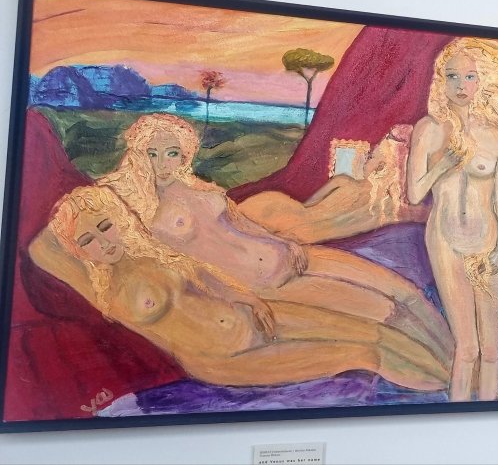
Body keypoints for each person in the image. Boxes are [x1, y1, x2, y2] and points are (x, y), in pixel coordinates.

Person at [94, 113, 452, 362]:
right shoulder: (136, 210)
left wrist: (287, 242)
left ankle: (461, 363)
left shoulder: (197, 187)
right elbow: (186, 270)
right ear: (137, 154)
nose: (162, 163)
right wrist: (243, 297)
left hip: (284, 253)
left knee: (405, 292)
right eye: (152, 153)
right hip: (262, 283)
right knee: (384, 311)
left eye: (172, 153)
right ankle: (448, 369)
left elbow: (240, 222)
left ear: (184, 155)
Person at [29, 185, 448, 390]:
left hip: (255, 316)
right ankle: (451, 390)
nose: (103, 243)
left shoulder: (154, 251)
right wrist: (83, 207)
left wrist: (247, 298)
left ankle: (457, 382)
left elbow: (205, 276)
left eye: (106, 227)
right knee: (365, 354)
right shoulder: (100, 288)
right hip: (224, 357)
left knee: (376, 332)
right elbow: (40, 247)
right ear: (76, 250)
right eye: (88, 240)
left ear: (120, 220)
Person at [407, 37, 498, 402]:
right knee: (466, 349)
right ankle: (456, 417)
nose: (460, 85)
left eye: (469, 76)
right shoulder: (428, 130)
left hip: (487, 243)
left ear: (482, 81)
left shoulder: (496, 137)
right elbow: (414, 194)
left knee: (491, 351)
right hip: (444, 242)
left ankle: (492, 418)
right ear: (441, 81)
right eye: (452, 76)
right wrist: (442, 166)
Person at [236, 124, 428, 244]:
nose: (367, 159)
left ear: (380, 166)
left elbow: (307, 205)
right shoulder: (385, 210)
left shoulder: (344, 182)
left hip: (296, 219)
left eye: (371, 157)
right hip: (305, 226)